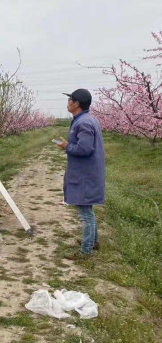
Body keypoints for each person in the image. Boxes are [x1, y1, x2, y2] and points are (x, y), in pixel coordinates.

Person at [55, 88, 105, 259]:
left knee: (85, 213)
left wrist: (66, 147)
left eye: (70, 100)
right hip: (87, 172)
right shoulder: (86, 119)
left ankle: (86, 251)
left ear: (77, 103)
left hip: (85, 174)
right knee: (88, 210)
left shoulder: (83, 122)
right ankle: (93, 241)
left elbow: (84, 148)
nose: (68, 103)